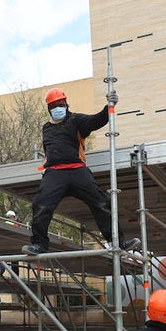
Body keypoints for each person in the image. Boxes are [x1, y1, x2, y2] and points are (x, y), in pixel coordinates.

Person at [23, 88, 140, 255]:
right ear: (49, 109)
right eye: (54, 105)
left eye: (61, 104)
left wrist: (109, 106)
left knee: (101, 202)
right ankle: (39, 245)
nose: (58, 107)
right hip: (55, 173)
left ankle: (118, 242)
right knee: (40, 205)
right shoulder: (46, 128)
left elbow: (97, 120)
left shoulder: (76, 120)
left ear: (66, 104)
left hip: (77, 170)